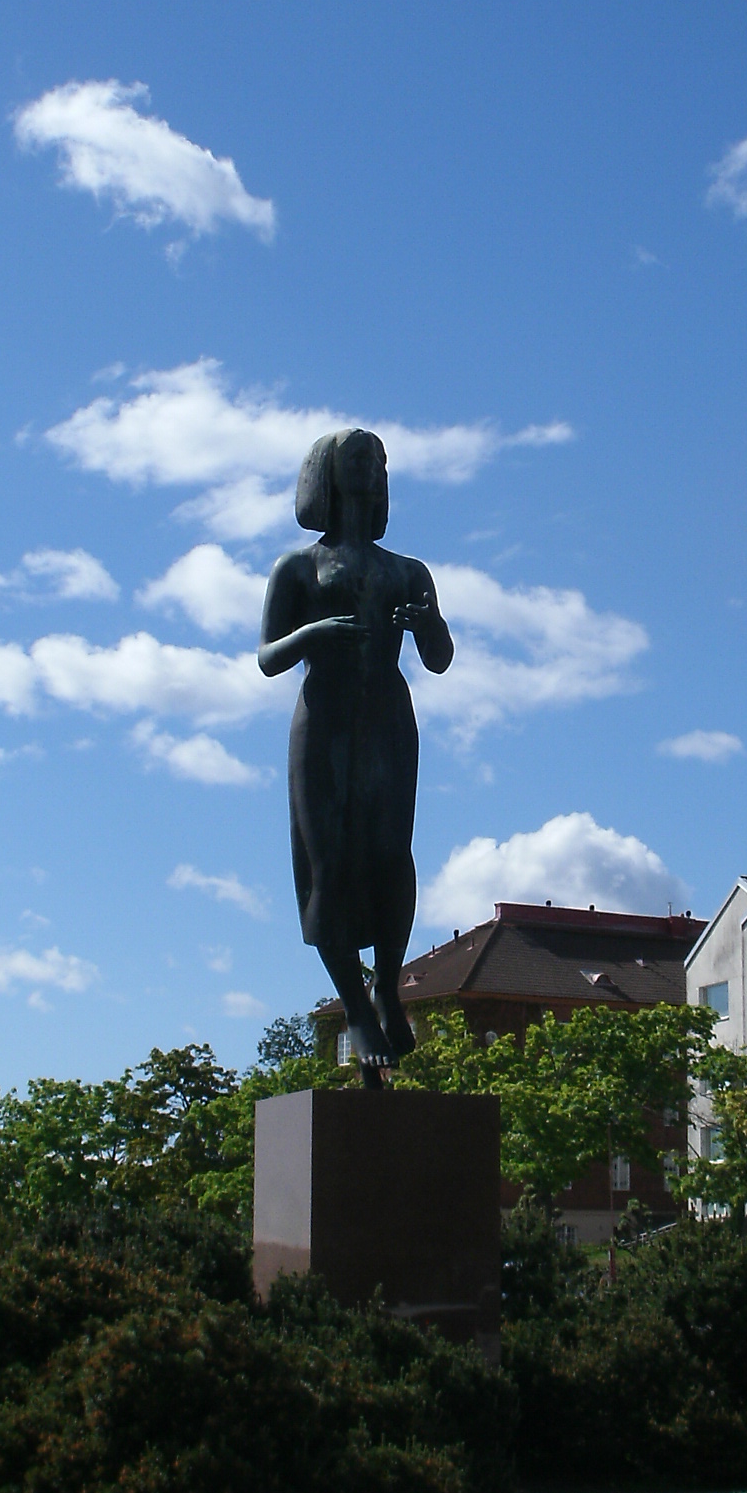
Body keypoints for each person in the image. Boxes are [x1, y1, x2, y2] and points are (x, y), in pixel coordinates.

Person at [258, 429, 453, 1078]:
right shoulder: (298, 567)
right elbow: (267, 658)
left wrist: (425, 622)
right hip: (325, 721)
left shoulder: (407, 569)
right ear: (330, 475)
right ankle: (356, 1005)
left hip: (387, 721)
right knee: (328, 864)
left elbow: (439, 658)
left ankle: (386, 984)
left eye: (379, 458)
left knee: (391, 856)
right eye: (358, 457)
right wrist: (314, 630)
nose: (372, 466)